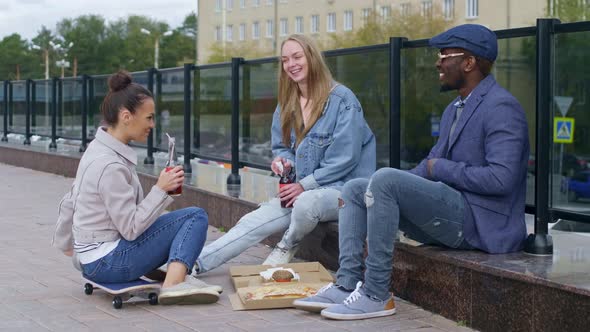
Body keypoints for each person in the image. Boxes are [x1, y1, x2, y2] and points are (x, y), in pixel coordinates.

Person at [294, 24, 530, 320]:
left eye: (445, 55)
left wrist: (438, 169)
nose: (438, 62)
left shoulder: (502, 107)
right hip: (453, 212)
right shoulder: (454, 109)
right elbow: (428, 166)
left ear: (469, 62)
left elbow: (501, 178)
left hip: (482, 224)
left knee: (384, 180)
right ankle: (346, 284)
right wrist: (386, 185)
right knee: (355, 187)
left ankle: (376, 293)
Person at [195, 34, 376, 274]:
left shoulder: (343, 100)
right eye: (285, 59)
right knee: (252, 222)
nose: (291, 64)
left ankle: (287, 245)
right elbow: (282, 147)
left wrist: (303, 185)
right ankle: (193, 263)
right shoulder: (288, 102)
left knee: (304, 204)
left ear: (312, 57)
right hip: (303, 190)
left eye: (297, 56)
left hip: (345, 191)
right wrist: (284, 162)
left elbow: (345, 159)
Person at [52, 71, 221, 305]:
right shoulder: (110, 164)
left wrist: (67, 244)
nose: (152, 124)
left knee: (177, 222)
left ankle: (172, 275)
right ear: (126, 116)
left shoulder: (97, 149)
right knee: (195, 217)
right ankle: (174, 285)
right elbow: (131, 229)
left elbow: (71, 198)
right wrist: (161, 190)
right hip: (107, 262)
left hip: (91, 260)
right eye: (149, 118)